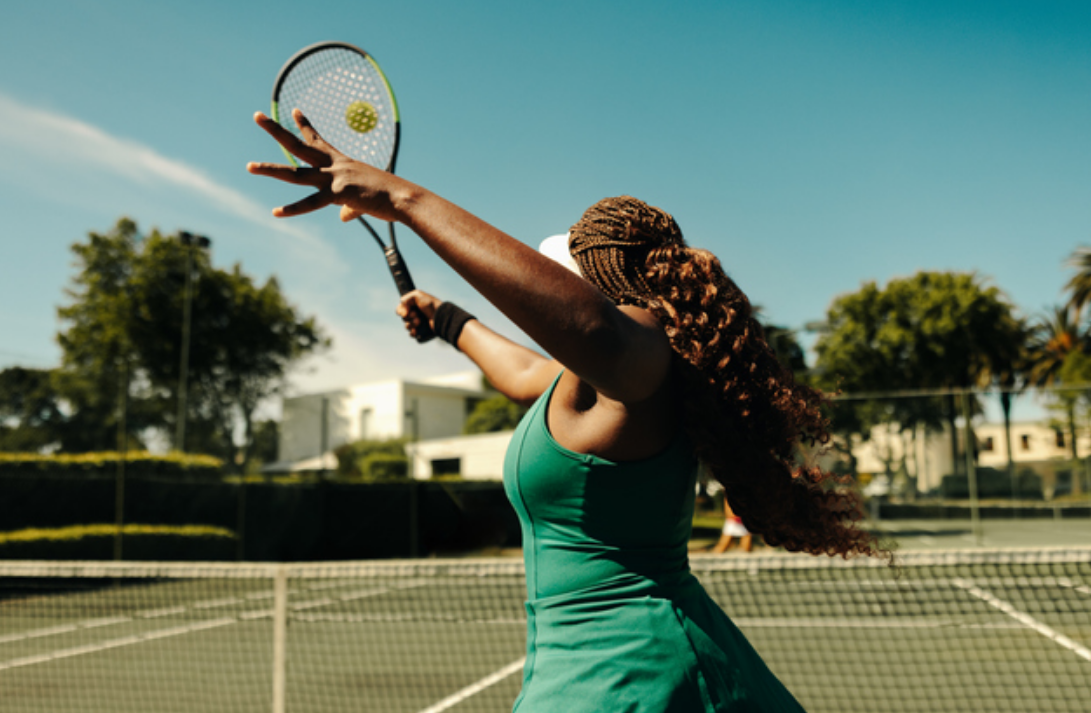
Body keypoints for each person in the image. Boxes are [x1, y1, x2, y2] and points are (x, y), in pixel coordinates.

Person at [249, 109, 885, 712]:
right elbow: (524, 374)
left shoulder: (641, 356)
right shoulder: (602, 386)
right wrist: (446, 319)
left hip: (634, 675)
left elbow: (598, 331)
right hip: (619, 665)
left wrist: (401, 198)